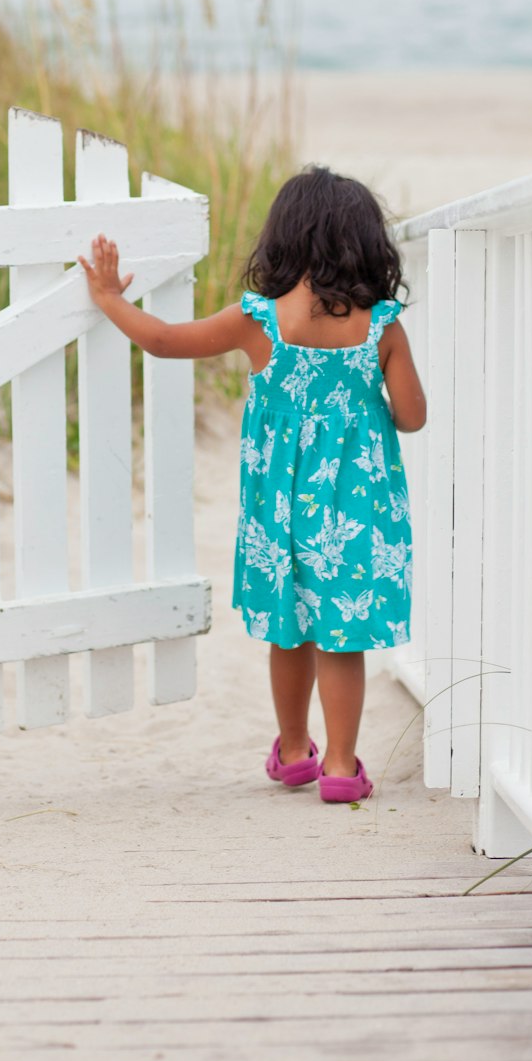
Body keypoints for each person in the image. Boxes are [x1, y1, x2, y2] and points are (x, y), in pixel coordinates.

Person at [78, 164, 427, 805]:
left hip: (281, 510)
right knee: (340, 636)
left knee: (288, 630)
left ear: (283, 240)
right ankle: (344, 767)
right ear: (367, 246)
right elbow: (412, 416)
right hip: (356, 512)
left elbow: (162, 341)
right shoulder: (381, 328)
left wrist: (109, 299)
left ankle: (294, 751)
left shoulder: (259, 322)